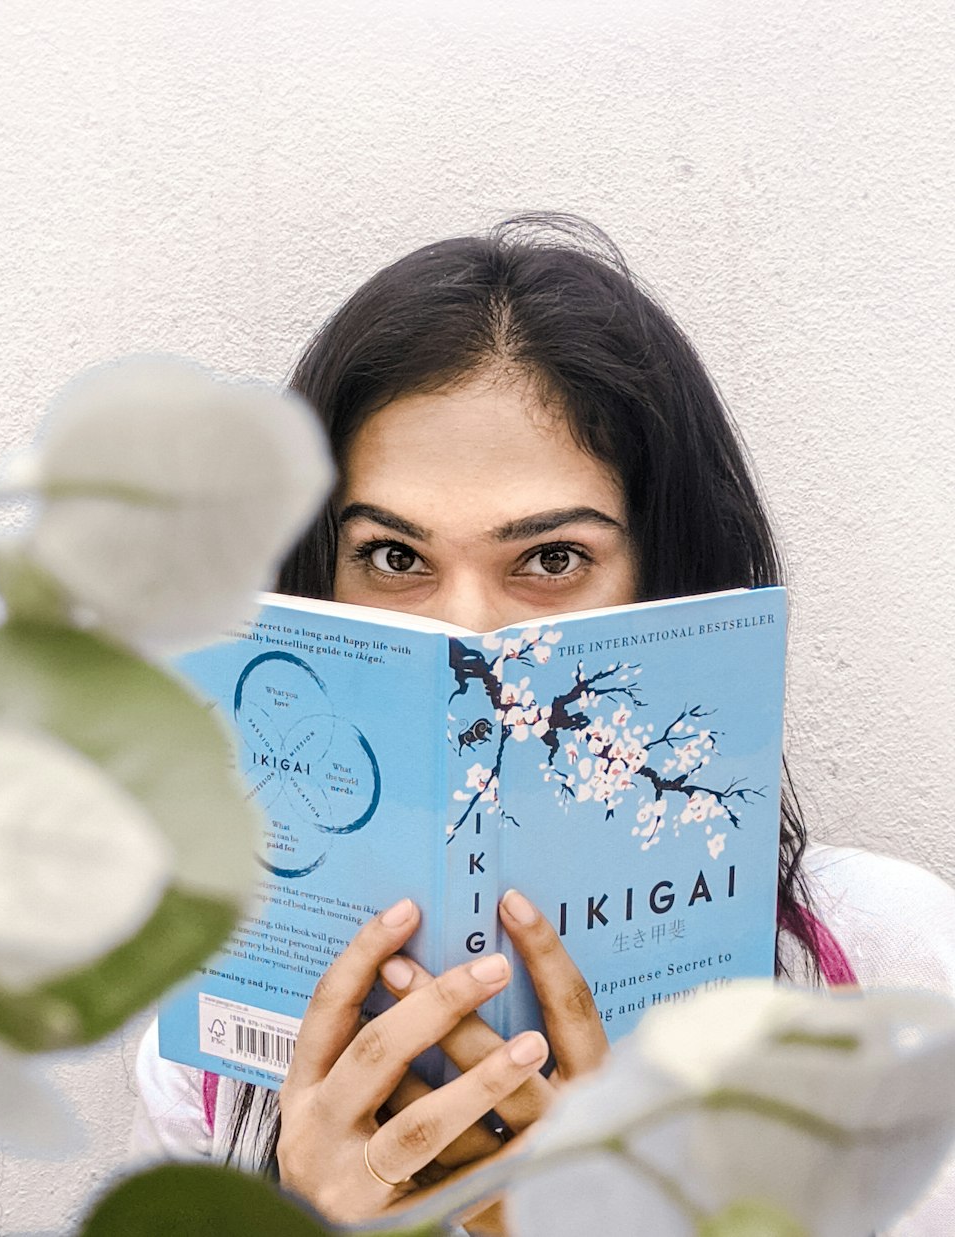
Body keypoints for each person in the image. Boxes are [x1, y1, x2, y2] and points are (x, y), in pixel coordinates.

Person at [131, 215, 955, 1234]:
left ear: (670, 579)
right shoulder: (216, 1059)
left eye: (551, 559)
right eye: (394, 556)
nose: (467, 633)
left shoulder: (883, 969)